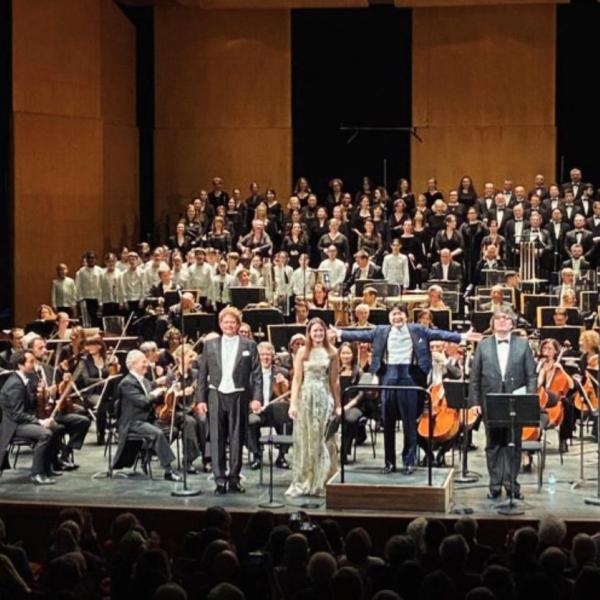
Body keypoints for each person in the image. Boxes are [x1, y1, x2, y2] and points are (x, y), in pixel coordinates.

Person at [332, 304, 478, 474]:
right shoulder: (381, 331)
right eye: (394, 315)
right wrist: (340, 333)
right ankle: (389, 463)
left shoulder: (417, 330)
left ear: (406, 316)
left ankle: (408, 461)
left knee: (409, 422)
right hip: (389, 377)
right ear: (389, 317)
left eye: (400, 314)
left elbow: (438, 334)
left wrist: (460, 336)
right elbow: (362, 334)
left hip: (408, 377)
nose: (397, 318)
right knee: (388, 422)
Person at [468, 307, 537, 499]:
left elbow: (531, 375)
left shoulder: (523, 345)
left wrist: (529, 399)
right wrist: (474, 402)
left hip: (516, 402)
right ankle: (495, 485)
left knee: (514, 445)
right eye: (498, 318)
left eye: (506, 318)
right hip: (490, 401)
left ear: (512, 323)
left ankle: (512, 485)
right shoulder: (483, 345)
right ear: (492, 322)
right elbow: (474, 377)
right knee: (493, 445)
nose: (502, 321)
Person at [197, 307, 262, 495]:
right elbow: (202, 374)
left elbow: (257, 375)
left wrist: (256, 398)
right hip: (216, 394)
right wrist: (200, 399)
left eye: (233, 322)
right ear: (220, 324)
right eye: (226, 322)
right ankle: (219, 480)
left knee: (236, 438)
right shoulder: (210, 345)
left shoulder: (249, 345)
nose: (229, 325)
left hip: (239, 395)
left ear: (238, 324)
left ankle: (234, 478)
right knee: (216, 437)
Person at [286, 318, 341, 497]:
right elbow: (296, 380)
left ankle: (322, 481)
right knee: (307, 439)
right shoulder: (303, 351)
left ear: (325, 332)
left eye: (321, 331)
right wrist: (293, 403)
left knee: (323, 439)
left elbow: (334, 382)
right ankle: (305, 480)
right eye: (315, 331)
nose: (318, 334)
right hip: (306, 398)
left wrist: (337, 405)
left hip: (324, 397)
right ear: (309, 332)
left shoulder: (332, 352)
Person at [112, 350, 181, 481]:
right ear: (133, 364)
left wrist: (169, 388)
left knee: (172, 430)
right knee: (158, 433)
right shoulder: (127, 383)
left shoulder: (144, 380)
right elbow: (143, 401)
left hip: (146, 420)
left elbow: (153, 392)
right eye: (143, 362)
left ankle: (146, 454)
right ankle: (168, 471)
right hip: (133, 422)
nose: (147, 364)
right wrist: (156, 392)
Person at [0, 351, 61, 484]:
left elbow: (29, 405)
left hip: (21, 422)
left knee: (55, 427)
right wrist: (40, 421)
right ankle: (37, 474)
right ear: (20, 365)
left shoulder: (23, 379)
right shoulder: (15, 384)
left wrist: (42, 391)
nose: (34, 364)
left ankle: (47, 468)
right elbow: (17, 414)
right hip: (13, 426)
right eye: (31, 362)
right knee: (45, 434)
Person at [247, 342, 293, 470]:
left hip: (274, 411)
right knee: (251, 421)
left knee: (287, 420)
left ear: (272, 356)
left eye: (268, 354)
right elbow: (244, 394)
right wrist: (251, 404)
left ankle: (282, 456)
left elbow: (287, 396)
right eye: (262, 354)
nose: (265, 358)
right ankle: (257, 455)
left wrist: (284, 384)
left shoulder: (282, 372)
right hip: (257, 411)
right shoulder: (249, 374)